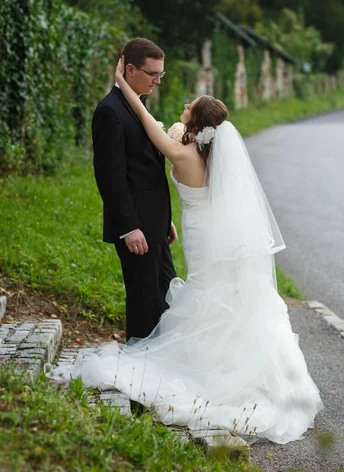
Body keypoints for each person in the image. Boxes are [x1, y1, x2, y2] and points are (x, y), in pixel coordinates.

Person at [53, 56, 322, 444]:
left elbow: (149, 126)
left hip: (203, 237)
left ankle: (201, 371)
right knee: (215, 297)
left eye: (188, 108)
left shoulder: (182, 152)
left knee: (206, 296)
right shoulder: (203, 152)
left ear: (197, 124)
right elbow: (170, 139)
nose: (182, 107)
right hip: (205, 230)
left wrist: (121, 82)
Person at [92, 39, 177, 342]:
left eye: (160, 74)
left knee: (168, 297)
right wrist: (128, 227)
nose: (157, 80)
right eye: (152, 73)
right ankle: (139, 371)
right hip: (135, 228)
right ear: (129, 69)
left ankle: (158, 364)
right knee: (144, 303)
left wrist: (164, 218)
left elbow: (146, 170)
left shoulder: (139, 104)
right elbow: (110, 177)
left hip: (153, 223)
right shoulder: (110, 111)